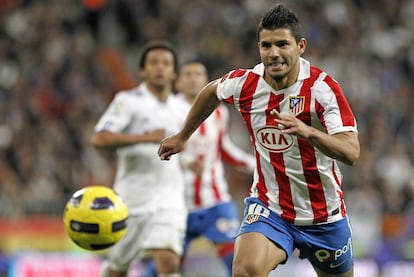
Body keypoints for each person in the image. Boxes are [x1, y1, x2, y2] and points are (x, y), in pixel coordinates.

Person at [158, 4, 360, 277]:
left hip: (324, 216)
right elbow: (212, 91)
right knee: (244, 271)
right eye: (266, 45)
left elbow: (351, 151)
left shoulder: (322, 89)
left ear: (300, 46)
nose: (274, 53)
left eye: (282, 44)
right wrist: (183, 136)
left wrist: (309, 132)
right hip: (270, 207)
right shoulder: (246, 84)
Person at [143, 61, 256, 277]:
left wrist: (256, 164)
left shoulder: (219, 113)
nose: (193, 78)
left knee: (236, 259)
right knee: (164, 268)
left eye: (198, 74)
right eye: (188, 74)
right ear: (178, 81)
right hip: (177, 205)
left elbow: (224, 148)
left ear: (206, 82)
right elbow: (151, 150)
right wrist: (185, 162)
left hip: (215, 202)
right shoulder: (164, 110)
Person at [91, 40, 188, 277]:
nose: (160, 68)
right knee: (118, 269)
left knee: (169, 262)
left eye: (166, 63)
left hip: (169, 200)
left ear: (174, 72)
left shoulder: (182, 108)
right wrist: (143, 138)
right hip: (132, 201)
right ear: (142, 70)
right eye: (153, 63)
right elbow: (99, 139)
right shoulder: (128, 101)